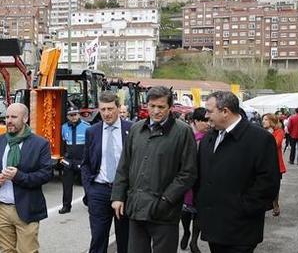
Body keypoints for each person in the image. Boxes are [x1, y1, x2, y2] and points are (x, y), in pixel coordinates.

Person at [110, 86, 198, 253]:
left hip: (165, 212)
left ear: (170, 107)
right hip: (136, 208)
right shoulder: (137, 129)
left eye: (161, 107)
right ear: (147, 105)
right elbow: (124, 166)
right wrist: (118, 196)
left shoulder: (182, 132)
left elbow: (188, 172)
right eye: (152, 106)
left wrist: (166, 200)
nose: (156, 111)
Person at [196, 91, 280, 253]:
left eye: (209, 111)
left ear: (225, 112)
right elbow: (203, 176)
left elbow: (268, 183)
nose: (206, 116)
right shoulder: (209, 138)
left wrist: (243, 208)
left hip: (241, 230)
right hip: (214, 226)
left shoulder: (260, 139)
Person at [0, 103, 53, 253]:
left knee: (27, 251)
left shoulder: (40, 144)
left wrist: (18, 176)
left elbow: (46, 174)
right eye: (7, 117)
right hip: (0, 208)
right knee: (6, 251)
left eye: (14, 117)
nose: (9, 120)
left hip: (26, 209)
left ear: (25, 118)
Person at [81, 91, 132, 253]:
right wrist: (89, 190)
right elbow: (86, 163)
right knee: (98, 238)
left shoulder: (132, 129)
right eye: (103, 110)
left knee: (125, 238)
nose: (106, 113)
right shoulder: (92, 132)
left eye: (110, 109)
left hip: (124, 192)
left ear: (118, 108)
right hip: (99, 190)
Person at [180, 107, 210, 253]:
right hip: (187, 179)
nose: (207, 124)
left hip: (203, 180)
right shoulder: (187, 135)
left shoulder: (211, 137)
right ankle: (186, 232)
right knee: (185, 211)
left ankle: (194, 241)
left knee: (199, 212)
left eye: (208, 120)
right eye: (204, 121)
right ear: (195, 121)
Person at [59, 106, 90, 214]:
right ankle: (66, 206)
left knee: (87, 184)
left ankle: (89, 202)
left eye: (75, 114)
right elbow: (62, 143)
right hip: (69, 161)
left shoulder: (86, 127)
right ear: (67, 116)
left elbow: (90, 145)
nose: (73, 117)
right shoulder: (64, 127)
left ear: (79, 114)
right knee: (67, 185)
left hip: (82, 160)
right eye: (71, 115)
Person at [262, 113, 287, 217]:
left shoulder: (279, 132)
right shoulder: (261, 132)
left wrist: (270, 134)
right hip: (263, 163)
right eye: (263, 119)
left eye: (266, 119)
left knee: (275, 185)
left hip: (276, 163)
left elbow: (275, 144)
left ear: (272, 121)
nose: (263, 121)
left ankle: (275, 204)